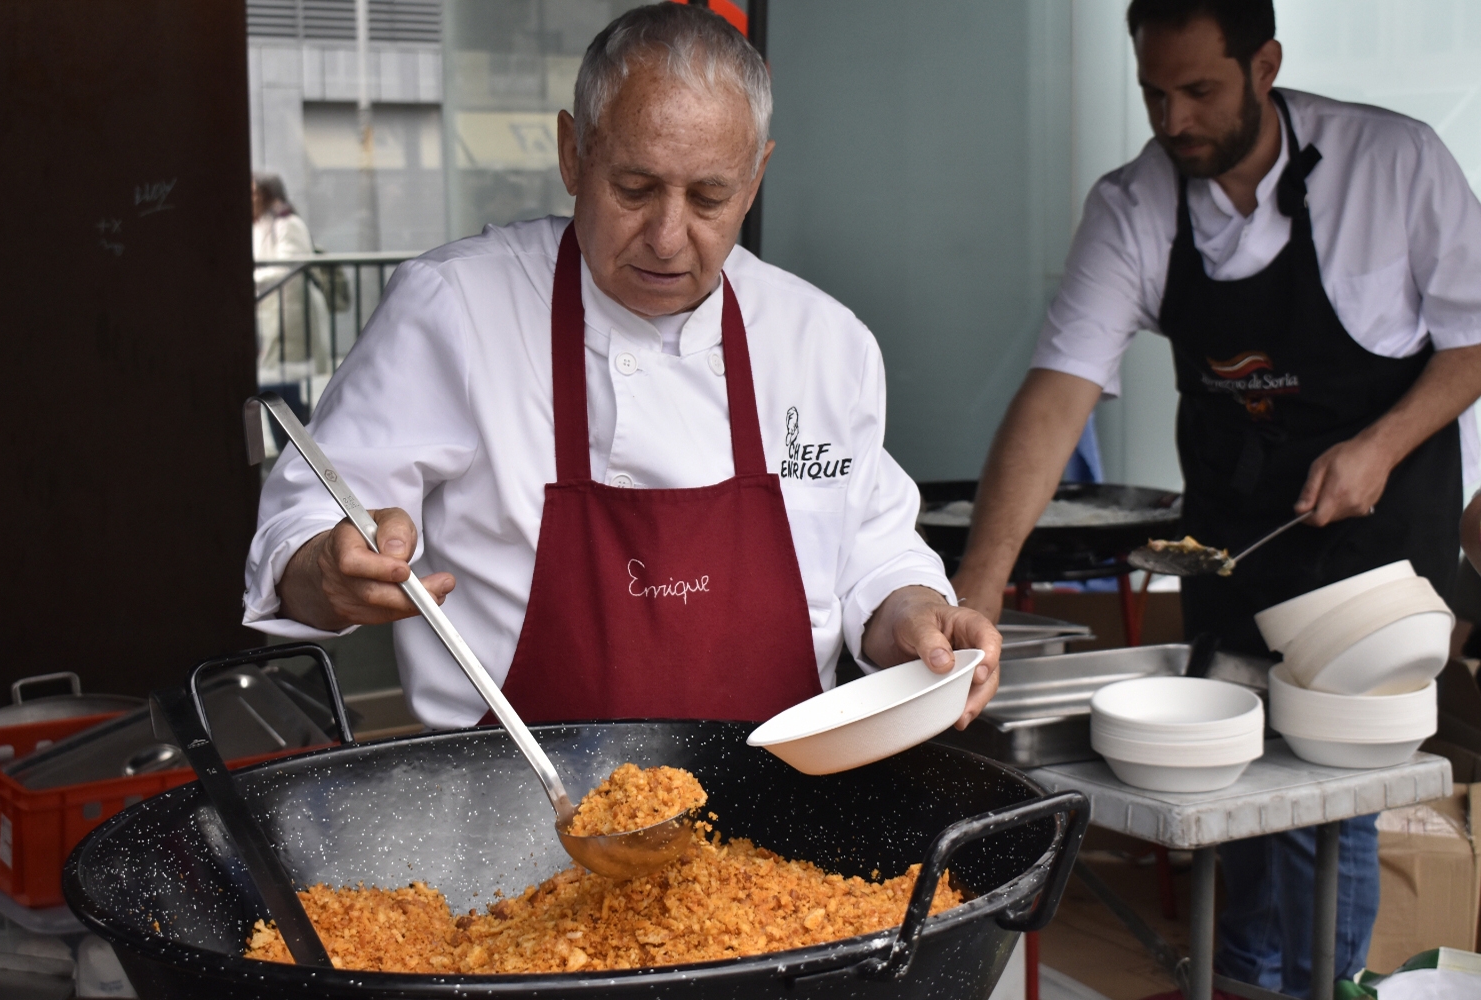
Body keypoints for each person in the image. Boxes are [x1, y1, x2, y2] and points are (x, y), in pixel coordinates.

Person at [243, 5, 1000, 735]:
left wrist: (917, 620)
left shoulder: (826, 343)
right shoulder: (456, 309)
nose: (667, 237)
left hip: (779, 809)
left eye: (709, 197)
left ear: (756, 178)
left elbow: (872, 555)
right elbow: (305, 527)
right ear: (574, 153)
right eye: (635, 189)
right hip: (519, 801)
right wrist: (329, 570)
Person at [952, 0, 1481, 995]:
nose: (1174, 120)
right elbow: (1057, 395)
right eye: (1154, 94)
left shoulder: (1394, 162)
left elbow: (1475, 339)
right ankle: (1245, 976)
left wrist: (1377, 446)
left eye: (1199, 90)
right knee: (1235, 770)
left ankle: (1310, 984)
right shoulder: (1134, 206)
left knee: (1332, 792)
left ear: (1264, 65)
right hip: (1240, 537)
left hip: (1376, 546)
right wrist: (975, 597)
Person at [252, 172, 330, 409]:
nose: (251, 199)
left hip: (289, 315)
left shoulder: (287, 223)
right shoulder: (262, 224)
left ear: (268, 194)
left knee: (279, 386)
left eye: (255, 193)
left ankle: (297, 432)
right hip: (272, 314)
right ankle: (297, 431)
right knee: (276, 386)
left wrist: (251, 279)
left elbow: (289, 266)